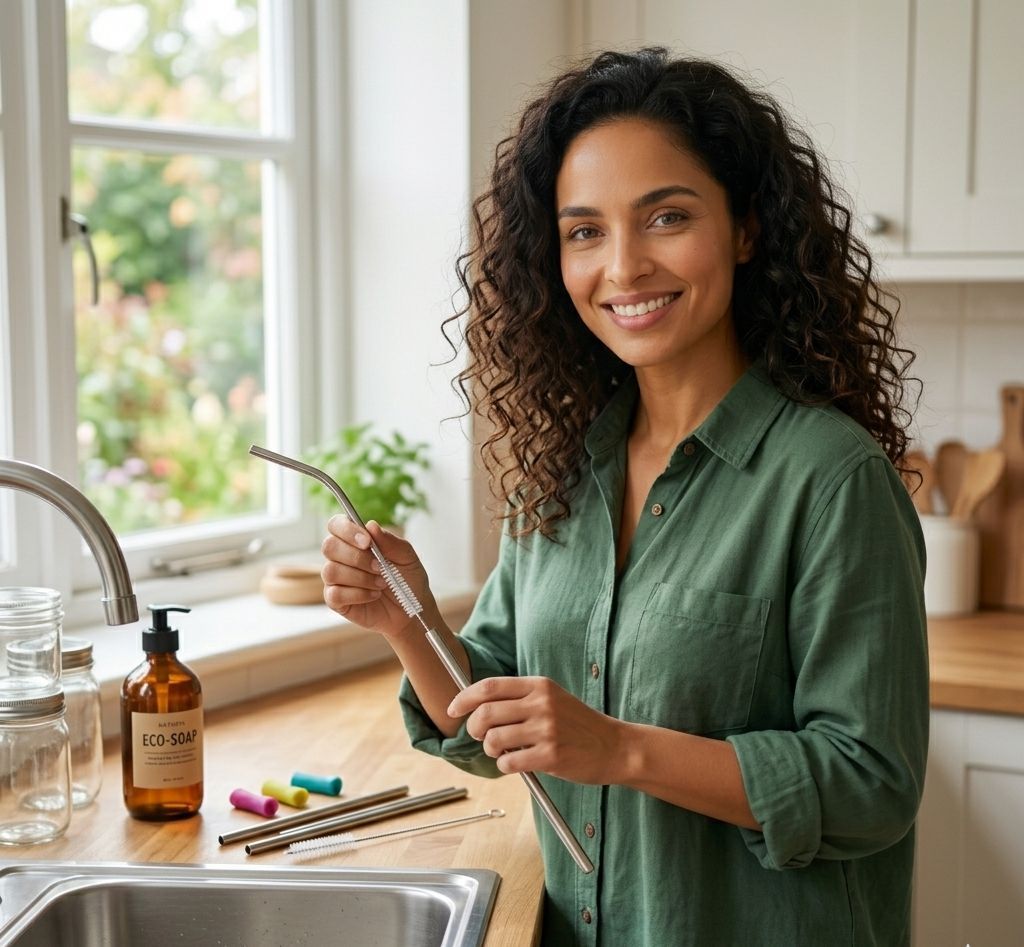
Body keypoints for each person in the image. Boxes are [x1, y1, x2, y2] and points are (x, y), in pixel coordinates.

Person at [321, 47, 928, 946]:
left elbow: (871, 782)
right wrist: (405, 617)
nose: (624, 266)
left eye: (667, 217)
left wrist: (619, 748)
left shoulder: (829, 478)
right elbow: (488, 715)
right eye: (584, 231)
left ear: (747, 228)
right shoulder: (561, 476)